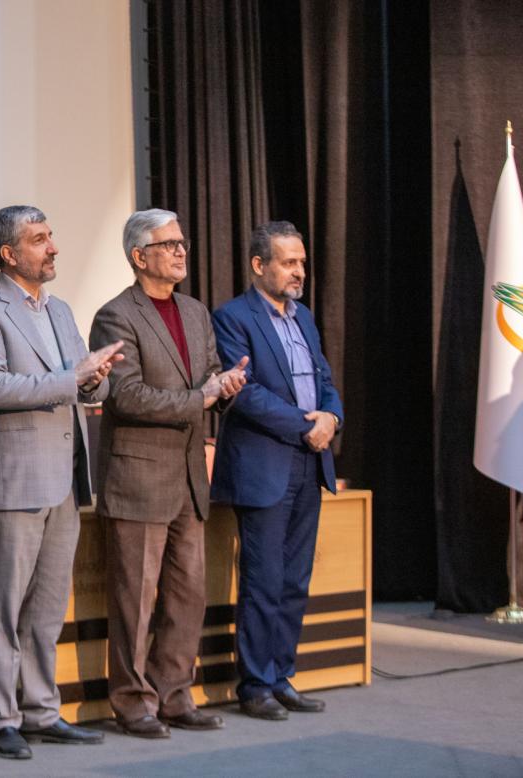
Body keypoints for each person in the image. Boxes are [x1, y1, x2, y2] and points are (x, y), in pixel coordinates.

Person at [0, 205, 122, 759]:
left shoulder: (60, 309)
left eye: (50, 236)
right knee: (4, 607)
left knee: (48, 607)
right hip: (16, 478)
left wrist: (95, 380)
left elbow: (85, 388)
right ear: (9, 254)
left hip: (65, 478)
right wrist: (73, 378)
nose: (52, 247)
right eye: (39, 239)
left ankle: (41, 711)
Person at [88, 208, 247, 740]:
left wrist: (224, 387)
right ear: (140, 257)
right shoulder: (116, 315)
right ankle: (133, 703)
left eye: (182, 242)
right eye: (169, 244)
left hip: (189, 478)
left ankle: (175, 695)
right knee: (135, 602)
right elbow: (128, 396)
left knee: (187, 596)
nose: (181, 251)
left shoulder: (195, 311)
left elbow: (207, 378)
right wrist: (201, 397)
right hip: (138, 479)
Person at [211, 220, 343, 721]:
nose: (299, 271)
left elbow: (324, 379)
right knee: (264, 580)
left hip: (309, 463)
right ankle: (254, 685)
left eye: (301, 262)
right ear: (258, 265)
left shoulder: (303, 317)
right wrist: (306, 426)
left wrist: (332, 418)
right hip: (265, 464)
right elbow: (243, 393)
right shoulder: (232, 317)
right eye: (289, 262)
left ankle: (281, 676)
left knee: (294, 580)